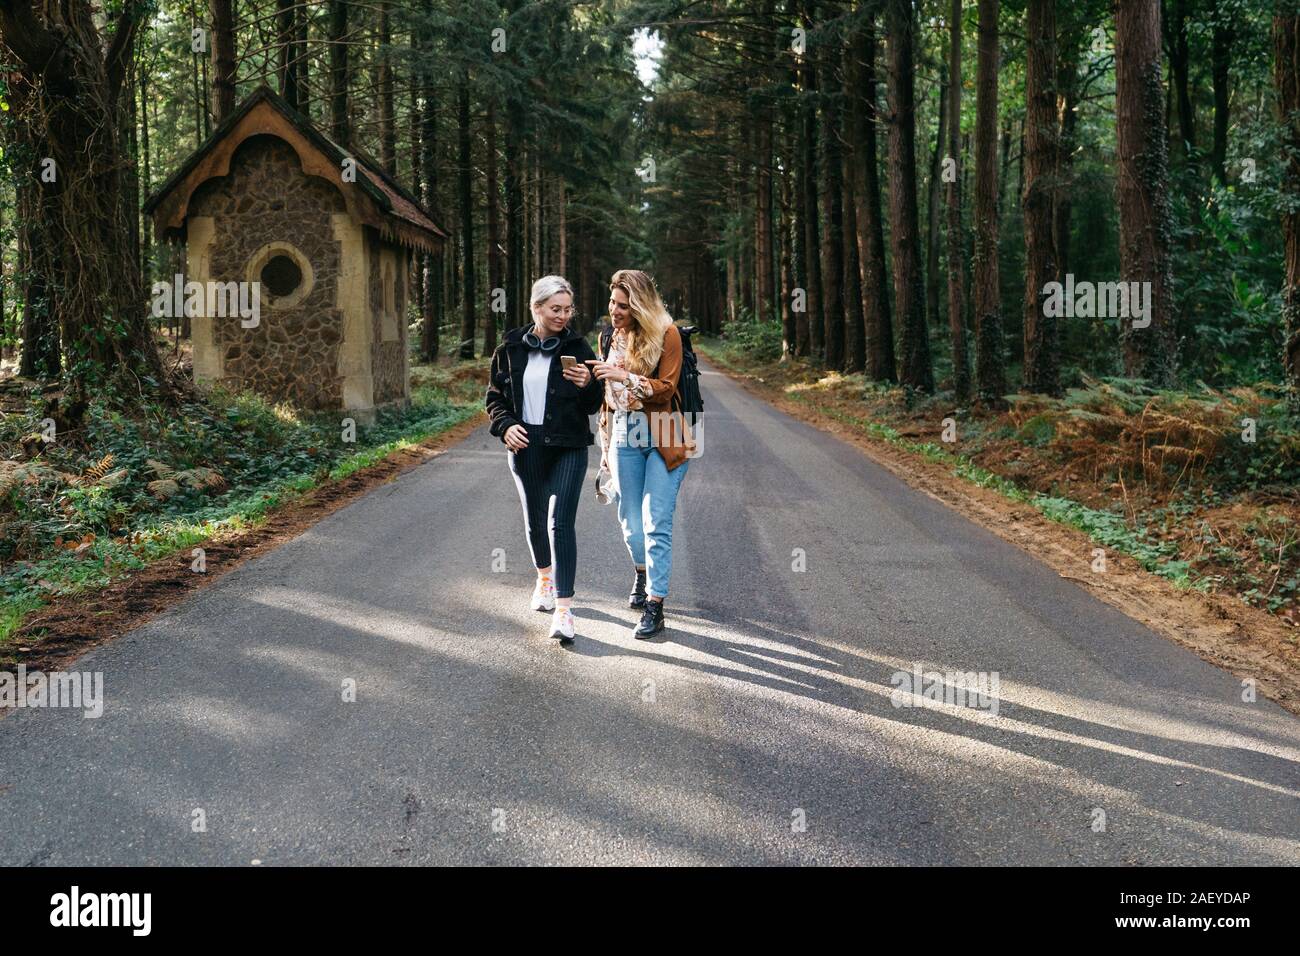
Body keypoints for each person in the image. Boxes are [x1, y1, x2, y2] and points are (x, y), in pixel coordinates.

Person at [485, 275, 603, 641]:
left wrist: (588, 384)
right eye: (555, 309)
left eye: (568, 309)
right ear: (536, 308)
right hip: (525, 444)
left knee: (559, 522)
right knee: (536, 519)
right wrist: (505, 426)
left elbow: (592, 405)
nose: (563, 316)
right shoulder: (509, 347)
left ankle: (565, 612)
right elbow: (494, 397)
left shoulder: (580, 346)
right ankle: (544, 579)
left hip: (568, 444)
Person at [588, 270, 695, 638]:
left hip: (665, 430)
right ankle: (641, 572)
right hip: (623, 432)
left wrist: (623, 376)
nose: (614, 310)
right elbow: (607, 402)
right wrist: (605, 449)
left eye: (623, 305)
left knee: (655, 521)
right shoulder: (609, 335)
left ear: (640, 304)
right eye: (612, 303)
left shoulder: (669, 334)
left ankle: (655, 604)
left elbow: (666, 389)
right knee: (630, 523)